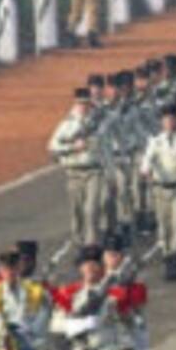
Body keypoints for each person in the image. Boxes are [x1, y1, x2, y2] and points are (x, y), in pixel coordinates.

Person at [140, 103, 176, 280]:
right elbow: (147, 160)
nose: (170, 123)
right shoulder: (155, 142)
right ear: (161, 122)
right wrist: (146, 170)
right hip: (160, 189)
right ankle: (167, 258)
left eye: (173, 119)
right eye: (166, 120)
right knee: (164, 227)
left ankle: (175, 260)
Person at [47, 90, 105, 249]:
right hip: (74, 172)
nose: (83, 107)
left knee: (91, 209)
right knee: (77, 210)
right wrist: (74, 147)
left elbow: (105, 147)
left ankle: (91, 243)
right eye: (80, 103)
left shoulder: (98, 123)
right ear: (75, 104)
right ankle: (79, 240)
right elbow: (53, 146)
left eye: (86, 103)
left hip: (94, 171)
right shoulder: (66, 124)